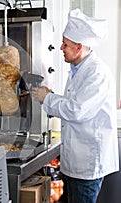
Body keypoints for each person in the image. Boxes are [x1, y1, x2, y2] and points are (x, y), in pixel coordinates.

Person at [32, 8, 119, 203]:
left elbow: (76, 110)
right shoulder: (76, 70)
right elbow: (73, 103)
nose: (61, 48)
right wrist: (49, 96)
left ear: (79, 47)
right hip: (74, 160)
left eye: (65, 44)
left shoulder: (97, 73)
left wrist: (47, 98)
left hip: (88, 163)